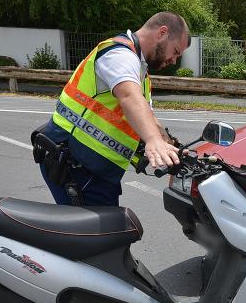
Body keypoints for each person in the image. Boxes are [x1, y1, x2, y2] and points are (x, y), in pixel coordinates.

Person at [33, 11, 191, 206]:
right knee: (91, 235)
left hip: (95, 169)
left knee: (104, 232)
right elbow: (128, 96)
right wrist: (153, 140)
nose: (174, 60)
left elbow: (146, 114)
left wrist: (170, 146)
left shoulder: (140, 73)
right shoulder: (118, 53)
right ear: (162, 33)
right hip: (74, 163)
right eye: (175, 51)